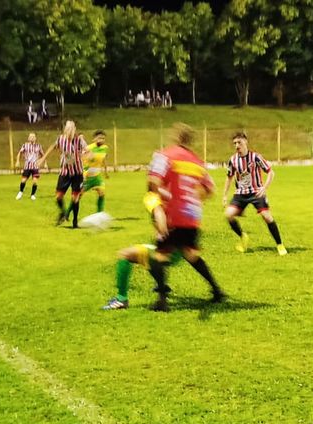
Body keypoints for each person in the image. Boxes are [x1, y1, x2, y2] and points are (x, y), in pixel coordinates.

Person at [145, 123, 224, 312]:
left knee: (159, 256)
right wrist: (194, 199)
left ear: (176, 137)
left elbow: (153, 181)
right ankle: (217, 290)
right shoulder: (197, 162)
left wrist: (158, 204)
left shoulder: (166, 155)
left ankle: (162, 300)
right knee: (191, 254)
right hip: (191, 216)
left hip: (172, 214)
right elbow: (209, 189)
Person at [101, 192, 182, 310]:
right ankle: (162, 296)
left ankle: (121, 299)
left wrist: (163, 233)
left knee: (125, 255)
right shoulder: (175, 194)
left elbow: (158, 212)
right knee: (151, 259)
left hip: (169, 250)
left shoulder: (152, 197)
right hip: (179, 250)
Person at [222, 132, 287, 256]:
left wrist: (264, 188)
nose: (237, 146)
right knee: (228, 215)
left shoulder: (255, 157)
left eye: (239, 142)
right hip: (240, 194)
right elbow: (229, 177)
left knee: (267, 217)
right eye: (235, 143)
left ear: (246, 142)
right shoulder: (233, 160)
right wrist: (224, 195)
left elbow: (271, 172)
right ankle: (243, 236)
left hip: (256, 192)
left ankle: (280, 245)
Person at [38, 120, 89, 227]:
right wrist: (42, 159)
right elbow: (52, 147)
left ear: (74, 130)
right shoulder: (61, 139)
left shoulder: (79, 140)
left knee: (75, 198)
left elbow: (88, 151)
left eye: (72, 129)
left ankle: (75, 221)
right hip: (65, 172)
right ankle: (63, 213)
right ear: (65, 130)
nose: (70, 132)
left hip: (77, 173)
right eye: (68, 129)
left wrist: (86, 156)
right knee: (58, 196)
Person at [82, 130, 111, 213]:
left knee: (102, 193)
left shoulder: (105, 148)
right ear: (94, 139)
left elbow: (103, 160)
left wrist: (106, 172)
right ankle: (67, 214)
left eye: (103, 138)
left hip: (97, 176)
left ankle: (99, 213)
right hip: (87, 175)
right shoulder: (88, 148)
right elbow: (82, 159)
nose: (101, 140)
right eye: (99, 138)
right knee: (78, 195)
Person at [15, 132, 45, 200]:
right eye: (30, 137)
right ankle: (20, 192)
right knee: (23, 180)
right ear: (28, 138)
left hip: (35, 167)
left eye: (33, 137)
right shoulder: (25, 145)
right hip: (27, 166)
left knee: (35, 182)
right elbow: (20, 153)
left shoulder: (38, 146)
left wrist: (44, 162)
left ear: (35, 138)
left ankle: (32, 195)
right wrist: (17, 161)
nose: (32, 138)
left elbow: (43, 155)